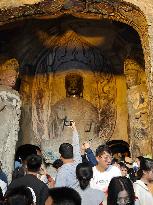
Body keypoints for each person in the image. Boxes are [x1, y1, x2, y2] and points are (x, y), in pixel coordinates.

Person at [55, 121, 82, 188]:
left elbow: (58, 192)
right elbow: (76, 144)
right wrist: (74, 128)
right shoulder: (78, 161)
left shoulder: (62, 172)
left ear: (61, 156)